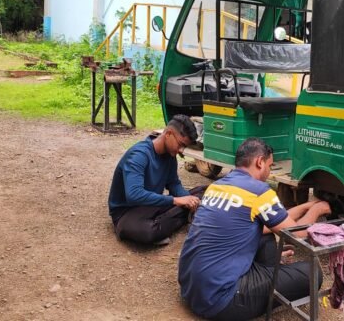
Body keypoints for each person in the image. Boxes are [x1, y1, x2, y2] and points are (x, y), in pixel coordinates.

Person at [178, 138, 331, 321]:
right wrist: (318, 209)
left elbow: (277, 220)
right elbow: (297, 234)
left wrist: (306, 206)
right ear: (259, 162)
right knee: (312, 272)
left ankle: (266, 269)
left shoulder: (216, 187)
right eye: (270, 165)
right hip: (222, 301)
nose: (269, 171)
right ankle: (259, 282)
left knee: (264, 235)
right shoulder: (259, 191)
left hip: (192, 289)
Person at [108, 114, 202, 245]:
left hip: (151, 205)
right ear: (168, 134)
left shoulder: (170, 155)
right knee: (147, 232)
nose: (181, 151)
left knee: (202, 192)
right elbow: (134, 195)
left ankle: (180, 215)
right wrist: (175, 200)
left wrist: (189, 200)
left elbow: (173, 183)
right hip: (127, 213)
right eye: (180, 145)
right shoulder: (139, 155)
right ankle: (178, 217)